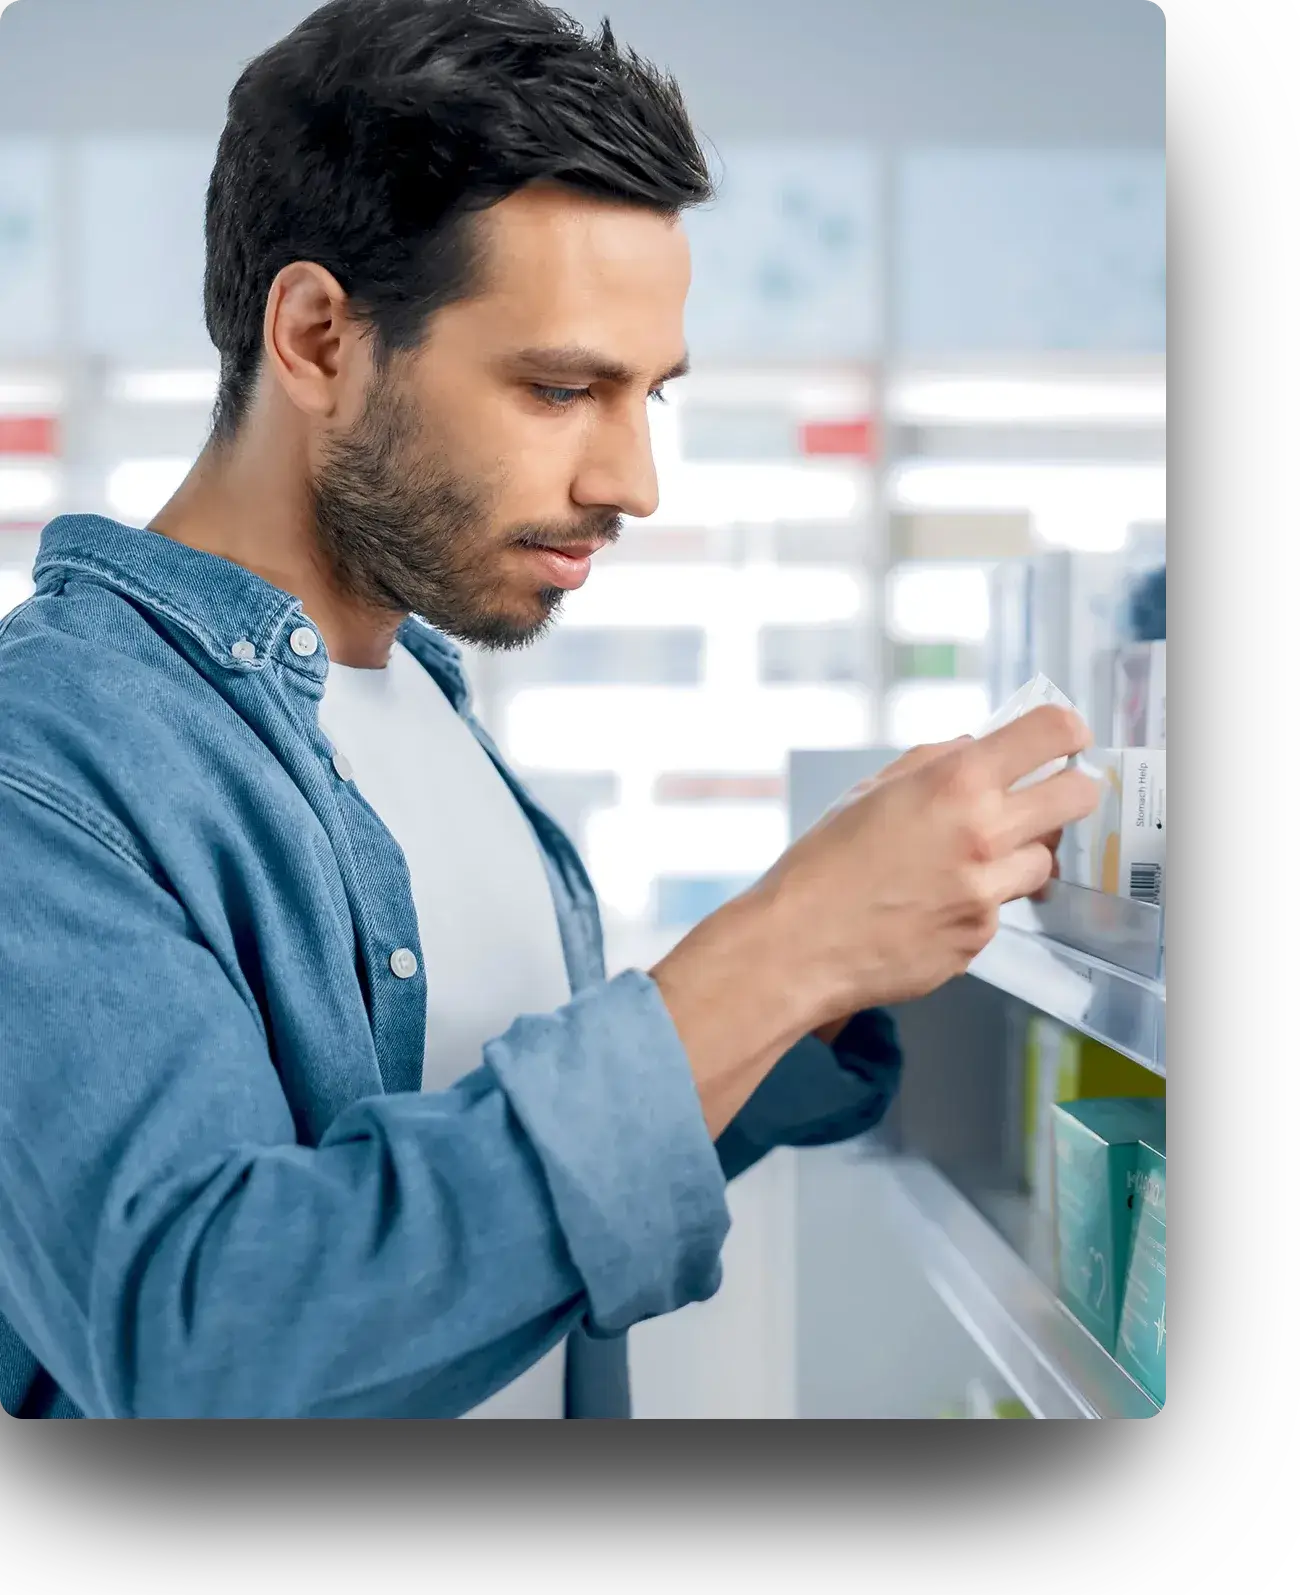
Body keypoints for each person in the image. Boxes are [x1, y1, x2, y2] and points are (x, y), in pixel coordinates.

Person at [0, 0, 1096, 1420]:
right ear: (322, 336)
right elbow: (203, 1343)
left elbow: (508, 1171)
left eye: (651, 396)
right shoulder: (50, 759)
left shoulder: (428, 700)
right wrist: (777, 951)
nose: (635, 481)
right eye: (565, 387)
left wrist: (828, 975)